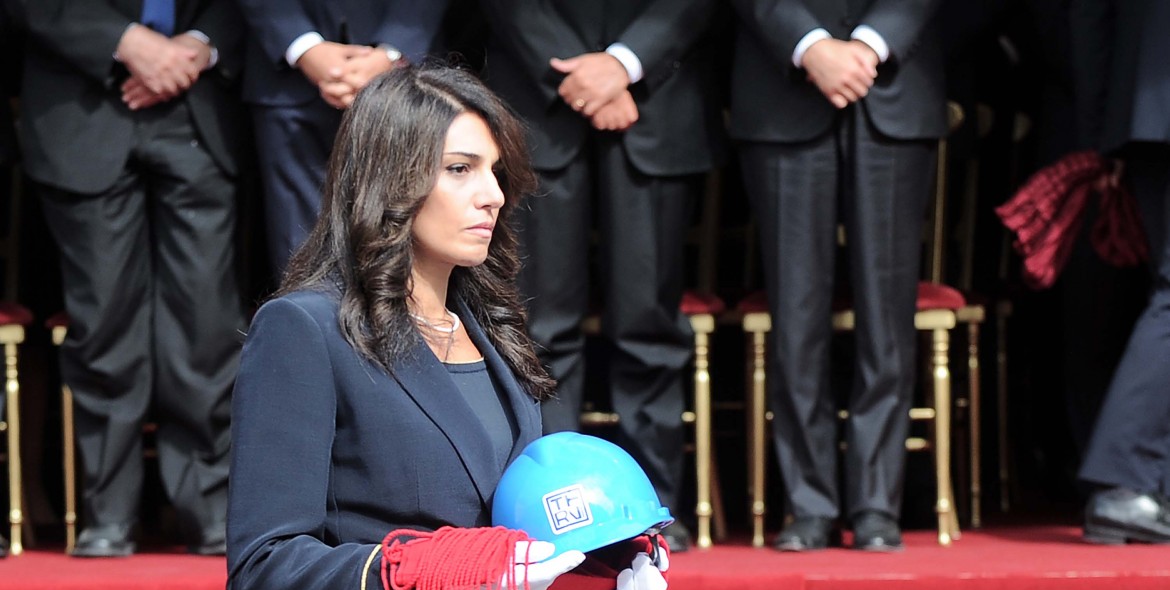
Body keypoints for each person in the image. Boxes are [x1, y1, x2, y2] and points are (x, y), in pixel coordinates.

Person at [225, 63, 669, 590]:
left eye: (494, 171)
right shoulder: (303, 330)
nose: (492, 193)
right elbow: (264, 563)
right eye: (460, 169)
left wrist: (594, 584)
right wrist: (443, 575)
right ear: (390, 178)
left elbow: (513, 560)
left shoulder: (492, 331)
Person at [478, 0, 727, 554]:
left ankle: (651, 505)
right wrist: (575, 70)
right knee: (539, 327)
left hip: (654, 102)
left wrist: (624, 64)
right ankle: (551, 504)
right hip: (536, 107)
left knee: (648, 325)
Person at [21, 0, 247, 557]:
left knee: (207, 322)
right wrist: (126, 42)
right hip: (82, 100)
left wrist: (199, 44)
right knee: (103, 320)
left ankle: (211, 508)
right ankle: (108, 514)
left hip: (202, 107)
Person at [728, 0, 948, 551]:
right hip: (783, 90)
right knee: (796, 319)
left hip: (894, 86)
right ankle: (809, 505)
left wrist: (872, 44)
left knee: (887, 316)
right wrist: (810, 45)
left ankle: (877, 503)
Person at [233, 0, 451, 280]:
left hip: (408, 78)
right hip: (288, 88)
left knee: (406, 241)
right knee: (300, 253)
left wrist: (394, 48)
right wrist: (302, 46)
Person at [1072, 0, 1170, 545]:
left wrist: (1102, 133)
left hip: (1143, 113)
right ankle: (1123, 480)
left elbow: (1089, 17)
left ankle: (1148, 485)